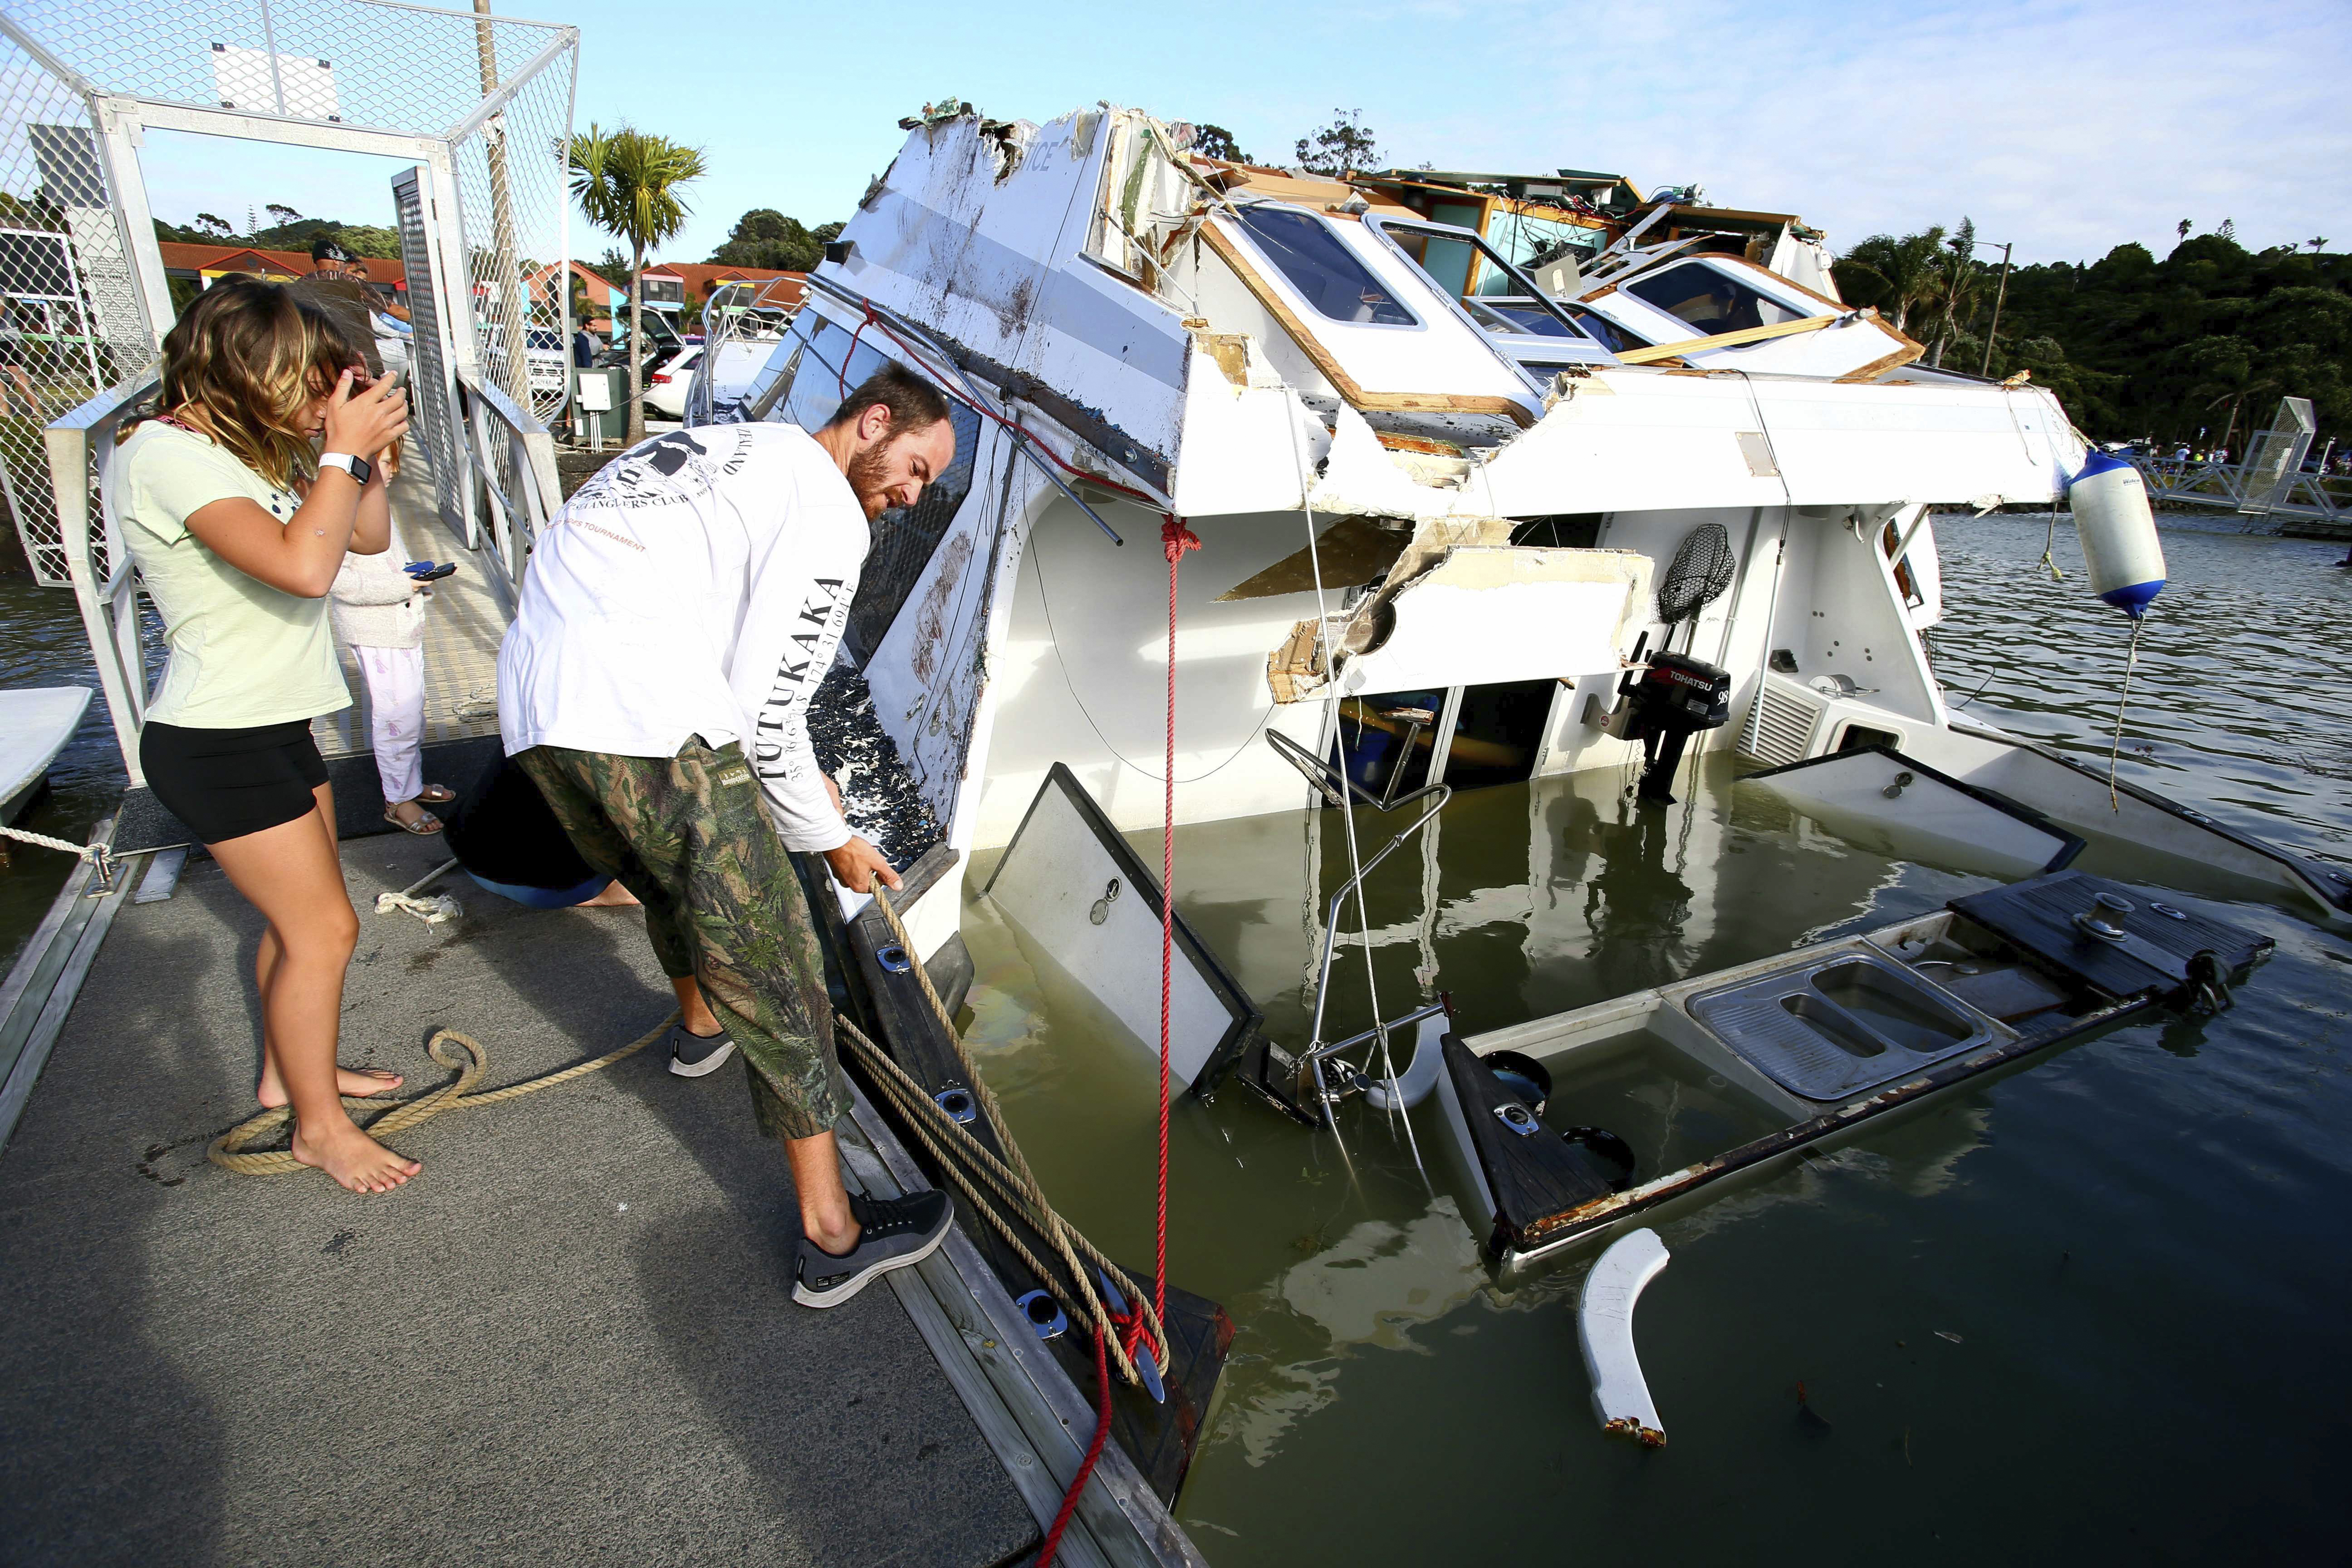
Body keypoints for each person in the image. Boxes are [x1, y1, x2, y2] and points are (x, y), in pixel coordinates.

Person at [497, 362, 957, 1307]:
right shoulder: (828, 510)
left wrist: (781, 776)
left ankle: (700, 1025)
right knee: (779, 959)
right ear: (873, 423)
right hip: (645, 719)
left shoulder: (728, 447)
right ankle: (833, 1237)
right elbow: (769, 718)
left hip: (536, 715)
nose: (911, 496)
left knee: (669, 880)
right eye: (914, 466)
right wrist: (831, 836)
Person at [111, 275, 415, 1193]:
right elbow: (301, 568)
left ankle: (295, 1075)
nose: (314, 400)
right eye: (304, 380)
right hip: (216, 741)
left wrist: (370, 465)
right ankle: (319, 1130)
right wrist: (336, 455)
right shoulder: (163, 454)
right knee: (324, 929)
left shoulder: (230, 455)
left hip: (273, 725)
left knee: (297, 930)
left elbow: (358, 543)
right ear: (246, 369)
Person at [328, 482, 452, 835]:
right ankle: (398, 800)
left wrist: (416, 578)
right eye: (382, 462)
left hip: (399, 626)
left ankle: (409, 787)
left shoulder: (374, 502)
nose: (391, 472)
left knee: (410, 712)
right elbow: (336, 578)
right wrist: (406, 585)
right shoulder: (340, 506)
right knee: (396, 716)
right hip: (376, 630)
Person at [292, 237, 385, 377]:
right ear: (336, 260)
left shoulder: (298, 286)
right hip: (359, 360)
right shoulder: (353, 282)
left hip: (317, 362)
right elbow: (392, 310)